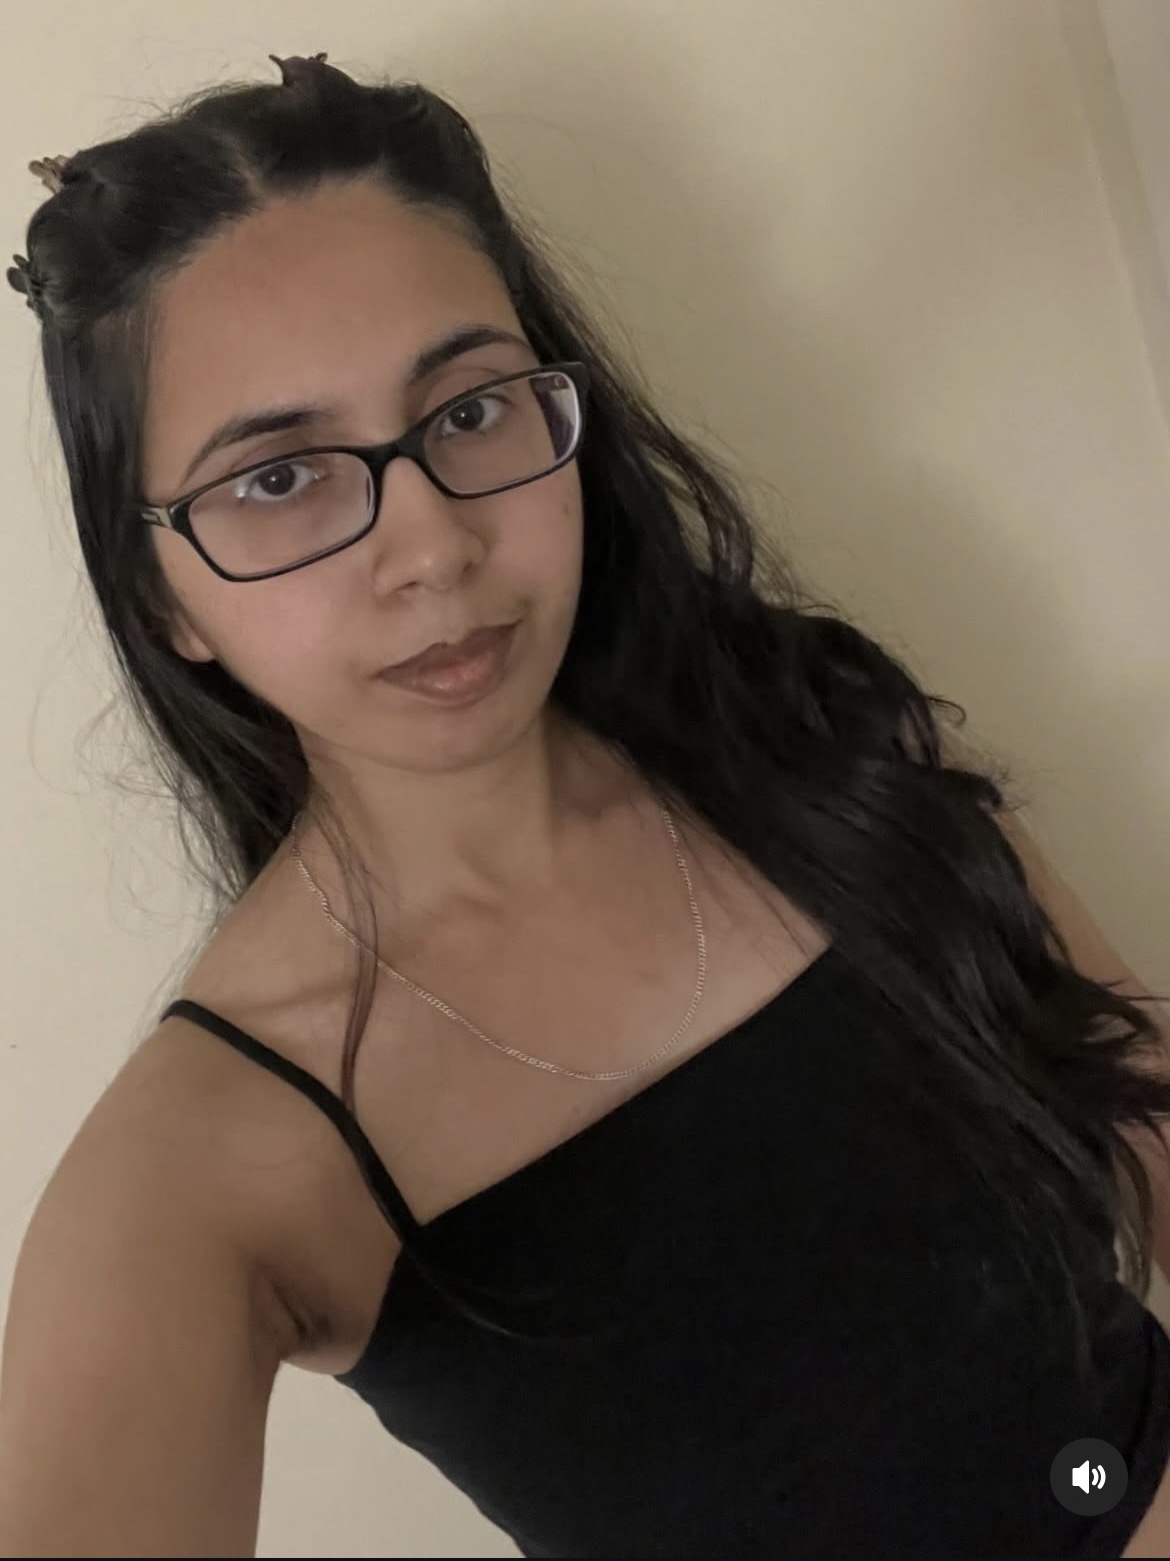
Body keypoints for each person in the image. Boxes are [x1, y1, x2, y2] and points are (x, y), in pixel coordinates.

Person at [1, 49, 1169, 1560]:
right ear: (162, 595)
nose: (432, 546)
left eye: (470, 409)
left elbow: (1138, 1106)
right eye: (279, 479)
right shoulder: (209, 1165)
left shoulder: (811, 733)